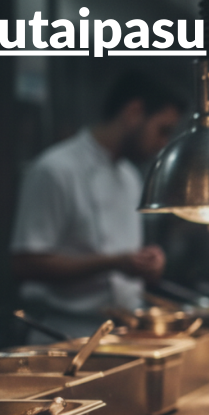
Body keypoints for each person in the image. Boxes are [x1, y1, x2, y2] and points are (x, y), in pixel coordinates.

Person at [11, 72, 186, 340]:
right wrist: (113, 263)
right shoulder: (54, 169)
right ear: (134, 112)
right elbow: (25, 264)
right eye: (162, 130)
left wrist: (147, 264)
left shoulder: (129, 177)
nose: (163, 143)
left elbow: (126, 259)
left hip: (124, 332)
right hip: (65, 334)